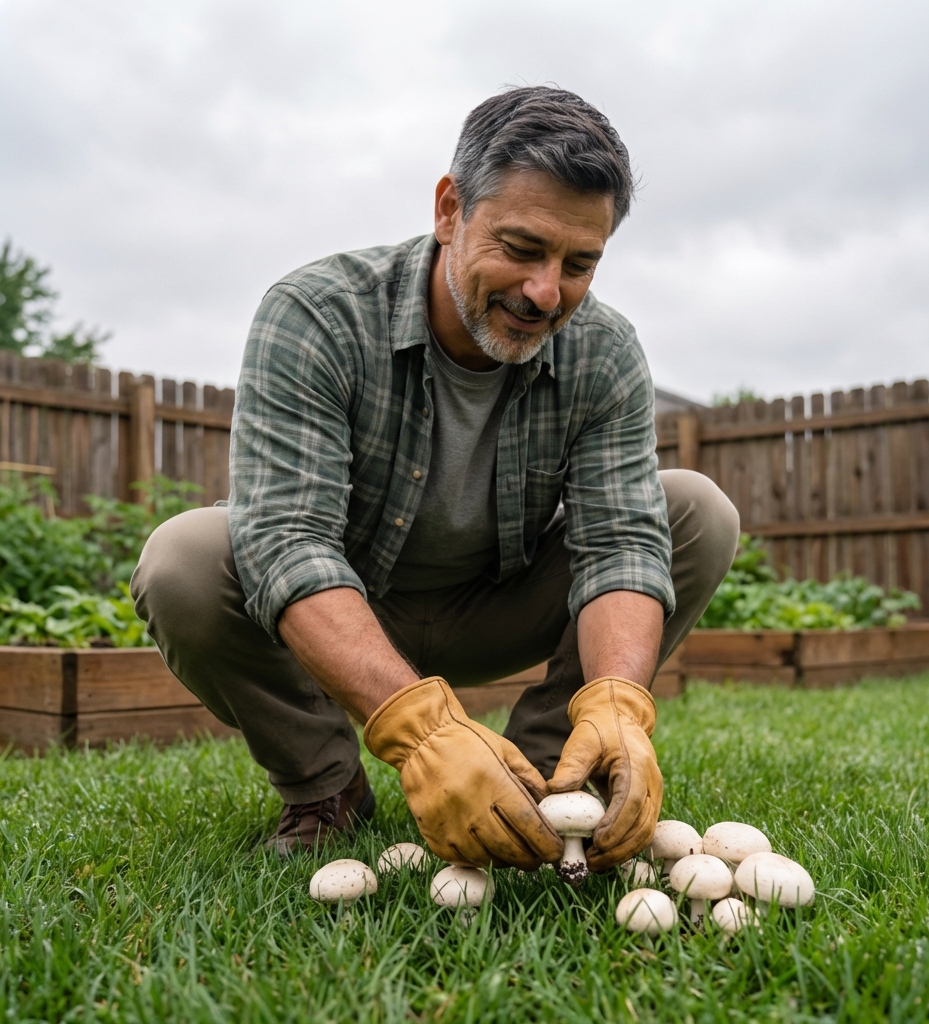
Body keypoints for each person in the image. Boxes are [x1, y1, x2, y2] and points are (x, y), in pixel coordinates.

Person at [132, 86, 739, 872]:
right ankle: (327, 790)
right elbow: (286, 542)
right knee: (184, 558)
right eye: (521, 248)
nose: (545, 291)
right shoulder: (317, 315)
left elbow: (621, 543)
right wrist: (422, 731)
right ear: (450, 209)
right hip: (348, 606)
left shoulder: (605, 352)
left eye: (579, 263)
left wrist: (619, 698)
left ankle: (553, 779)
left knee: (697, 509)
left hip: (494, 604)